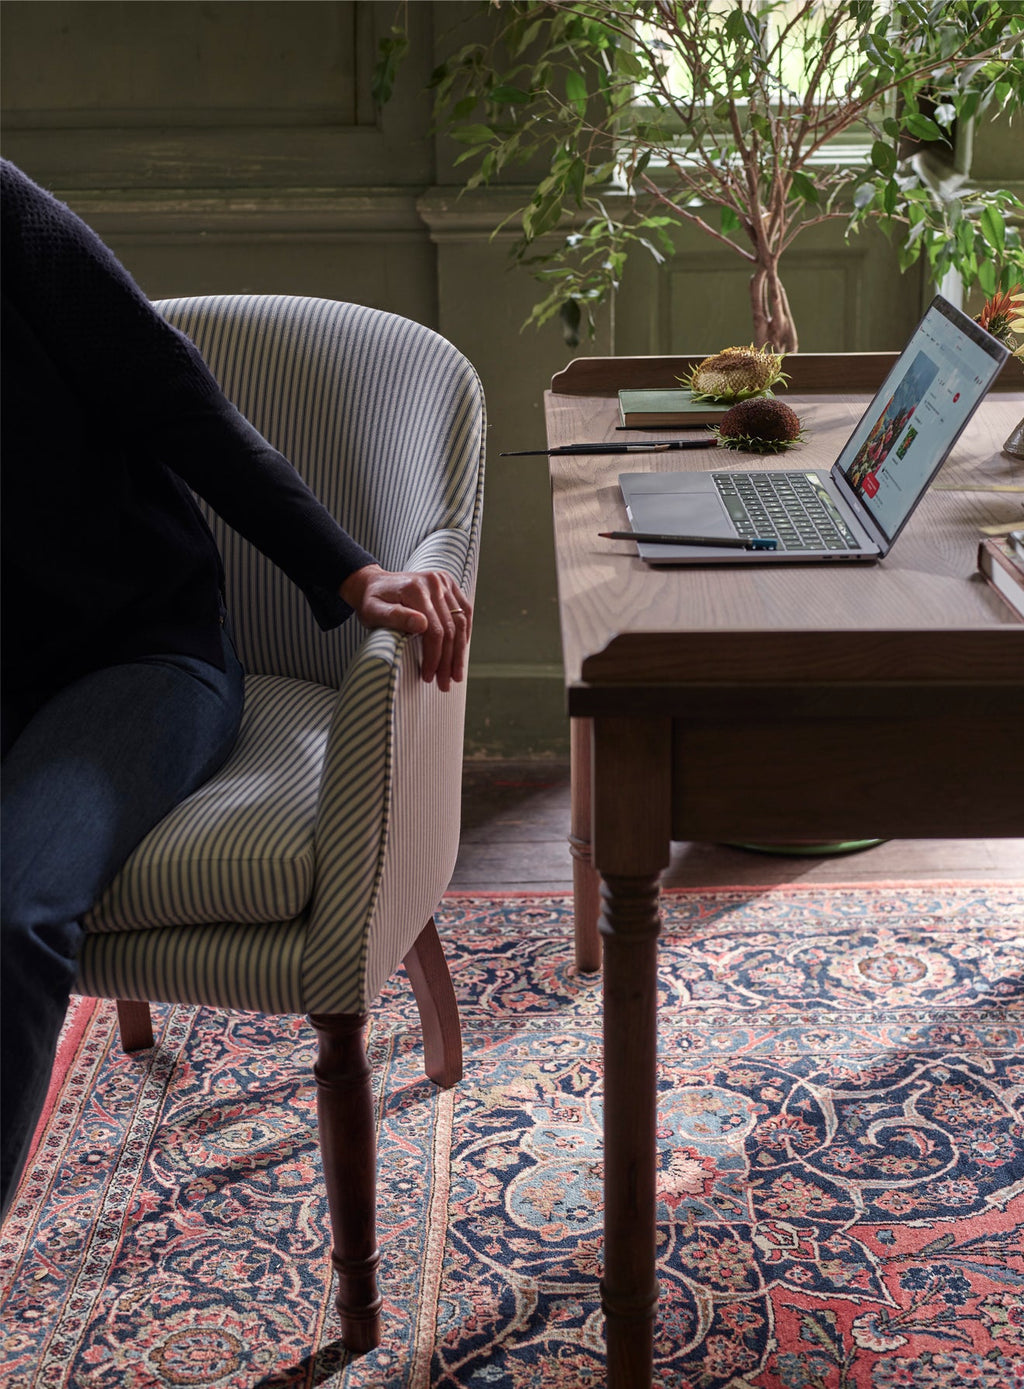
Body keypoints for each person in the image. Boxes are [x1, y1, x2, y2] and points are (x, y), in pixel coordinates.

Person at [0, 159, 472, 1215]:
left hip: (138, 657)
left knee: (12, 912)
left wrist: (352, 574)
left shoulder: (3, 213)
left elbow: (173, 396)